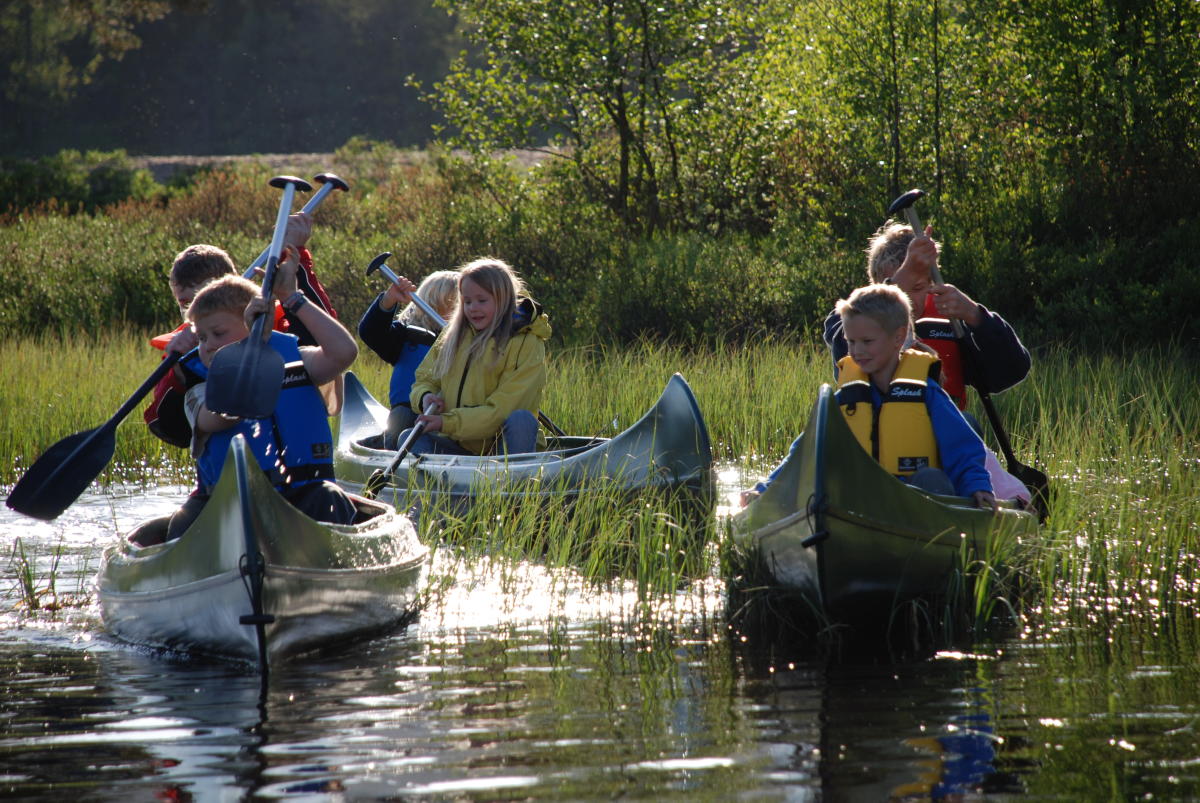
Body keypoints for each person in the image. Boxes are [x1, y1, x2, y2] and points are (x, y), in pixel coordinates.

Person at [164, 245, 359, 541]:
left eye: (218, 333)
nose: (207, 345)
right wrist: (245, 355)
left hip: (300, 494)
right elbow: (221, 416)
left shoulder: (296, 359)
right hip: (228, 503)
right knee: (180, 527)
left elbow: (344, 352)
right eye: (201, 337)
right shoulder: (198, 386)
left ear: (253, 324)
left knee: (330, 498)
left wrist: (292, 298)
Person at [746, 284, 996, 511]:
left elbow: (963, 448)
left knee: (931, 478)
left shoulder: (928, 394)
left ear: (899, 337)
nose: (857, 351)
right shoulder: (844, 399)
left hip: (914, 506)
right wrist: (765, 490)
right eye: (851, 341)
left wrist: (977, 487)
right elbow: (803, 452)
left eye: (867, 341)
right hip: (861, 502)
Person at [143, 213, 339, 448]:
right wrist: (179, 373)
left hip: (295, 461)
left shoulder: (275, 328)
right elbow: (173, 431)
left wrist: (296, 261)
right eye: (185, 303)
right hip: (236, 465)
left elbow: (329, 342)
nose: (196, 310)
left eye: (203, 297)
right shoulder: (188, 357)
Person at [823, 220, 1030, 407]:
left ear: (932, 285)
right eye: (898, 287)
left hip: (941, 438)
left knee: (970, 424)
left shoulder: (950, 320)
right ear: (876, 286)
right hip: (874, 439)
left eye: (917, 287)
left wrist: (975, 315)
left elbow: (1010, 372)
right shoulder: (849, 316)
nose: (908, 301)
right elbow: (843, 351)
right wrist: (904, 278)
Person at [400, 258, 550, 456]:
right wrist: (425, 397)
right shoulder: (452, 336)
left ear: (503, 299)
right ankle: (449, 483)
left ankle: (514, 482)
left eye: (482, 300)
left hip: (503, 448)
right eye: (467, 301)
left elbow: (502, 410)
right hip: (457, 444)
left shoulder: (527, 343)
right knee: (408, 438)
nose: (472, 308)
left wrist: (447, 422)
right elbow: (425, 380)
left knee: (522, 420)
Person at [358, 269, 459, 448]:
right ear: (432, 304)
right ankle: (386, 448)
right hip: (407, 416)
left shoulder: (469, 342)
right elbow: (370, 332)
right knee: (402, 416)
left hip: (448, 419)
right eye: (452, 305)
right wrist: (388, 300)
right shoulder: (406, 336)